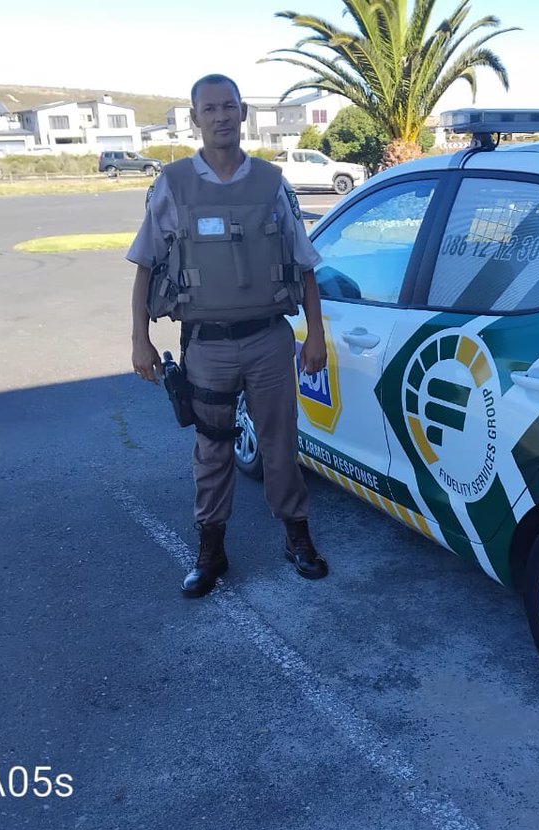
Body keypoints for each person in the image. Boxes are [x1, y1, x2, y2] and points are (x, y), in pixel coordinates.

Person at [127, 73, 329, 598]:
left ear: (243, 113)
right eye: (210, 108)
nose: (220, 116)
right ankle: (211, 550)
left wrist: (315, 336)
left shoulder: (271, 182)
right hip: (208, 345)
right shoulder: (173, 184)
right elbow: (145, 265)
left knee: (280, 443)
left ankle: (297, 537)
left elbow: (305, 264)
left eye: (229, 107)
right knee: (212, 449)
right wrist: (139, 339)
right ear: (195, 118)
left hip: (268, 340)